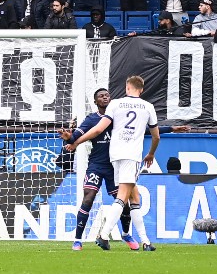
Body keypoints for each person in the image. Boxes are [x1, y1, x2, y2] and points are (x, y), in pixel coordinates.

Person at [67, 75, 160, 252]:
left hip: (114, 156)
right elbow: (155, 135)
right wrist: (151, 153)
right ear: (142, 89)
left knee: (134, 197)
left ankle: (144, 241)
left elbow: (98, 129)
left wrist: (76, 142)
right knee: (123, 197)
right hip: (130, 156)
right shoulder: (148, 107)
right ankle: (103, 235)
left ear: (127, 87)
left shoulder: (116, 104)